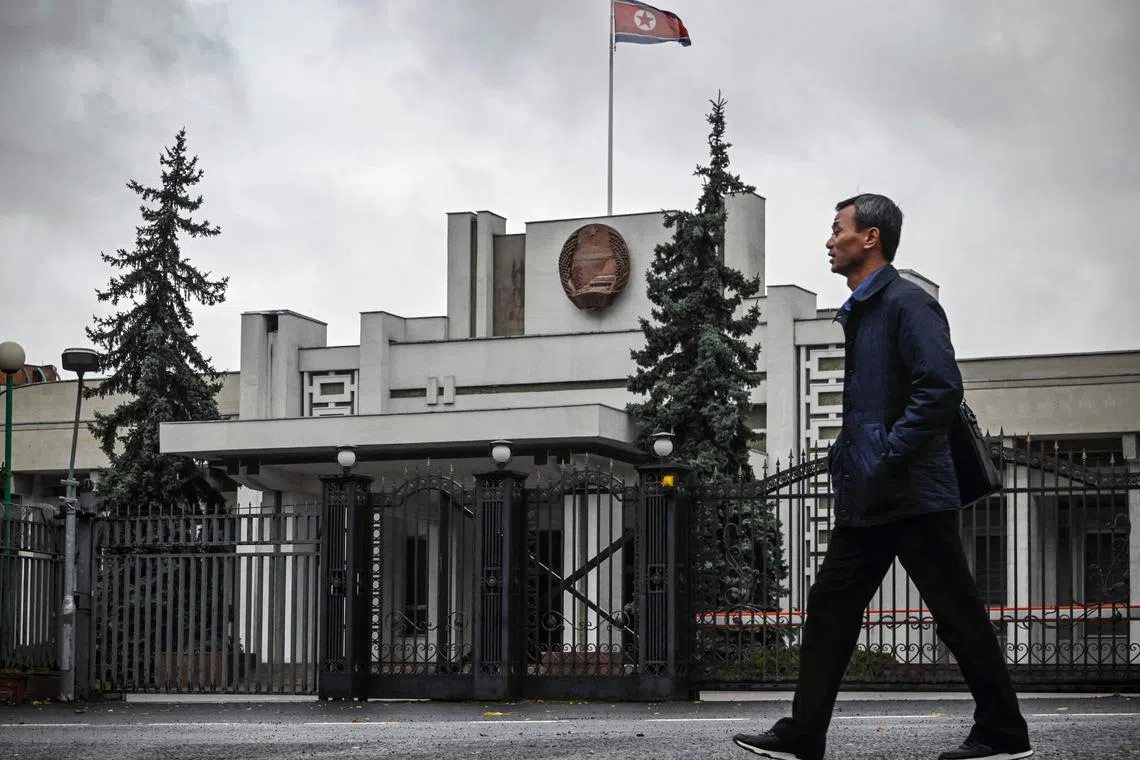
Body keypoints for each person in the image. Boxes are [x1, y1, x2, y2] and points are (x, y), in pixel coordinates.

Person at [731, 194, 1032, 760]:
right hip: (871, 497)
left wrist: (890, 455)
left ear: (869, 238)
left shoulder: (907, 305)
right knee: (830, 612)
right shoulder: (865, 310)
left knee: (957, 615)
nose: (828, 240)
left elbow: (940, 387)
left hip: (913, 494)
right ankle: (804, 734)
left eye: (836, 229)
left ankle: (1003, 732)